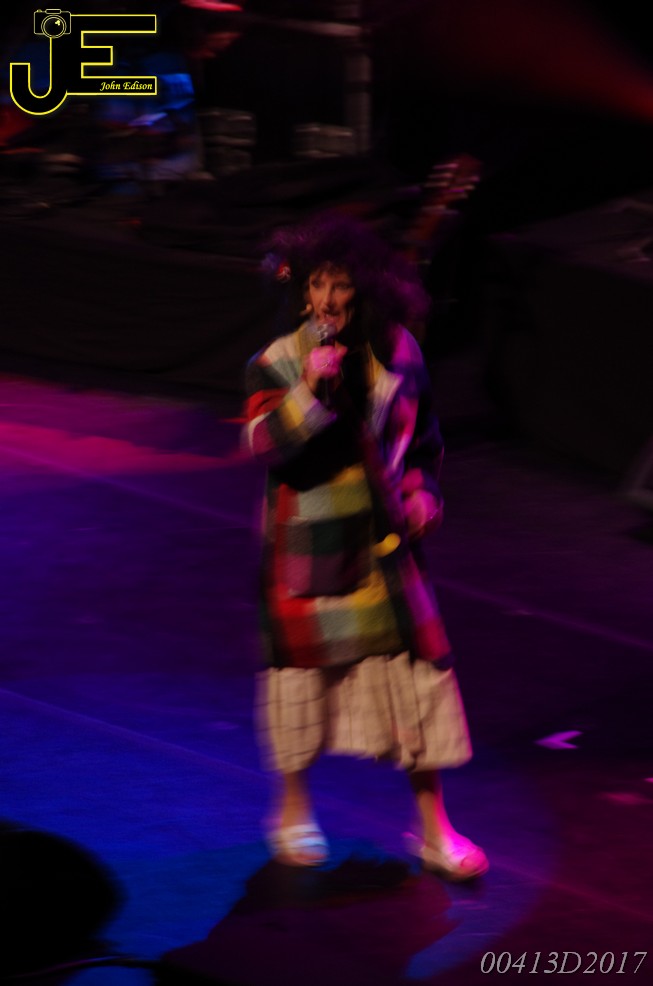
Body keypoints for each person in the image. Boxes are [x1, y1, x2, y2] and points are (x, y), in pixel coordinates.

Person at [243, 211, 488, 881]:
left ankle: (433, 830)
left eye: (341, 285)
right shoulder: (275, 361)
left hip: (385, 553)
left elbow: (425, 444)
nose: (327, 300)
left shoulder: (400, 354)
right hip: (309, 555)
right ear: (303, 293)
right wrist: (308, 391)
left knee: (415, 680)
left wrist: (423, 494)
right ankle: (292, 811)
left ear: (365, 290)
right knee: (302, 681)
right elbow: (263, 444)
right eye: (317, 284)